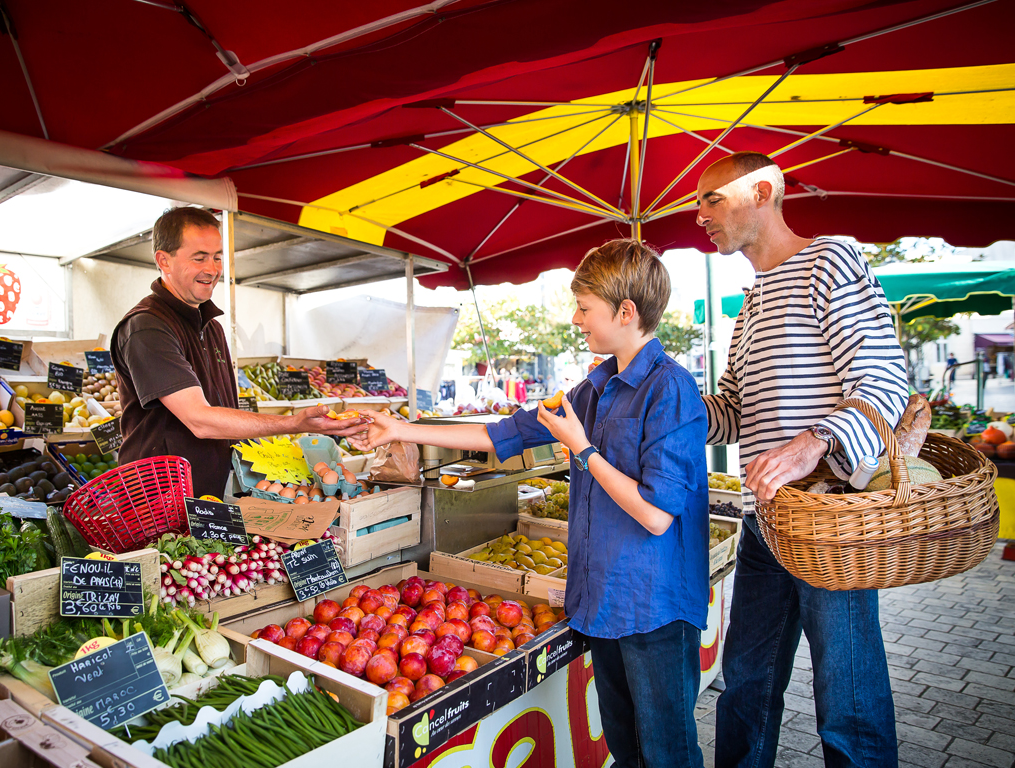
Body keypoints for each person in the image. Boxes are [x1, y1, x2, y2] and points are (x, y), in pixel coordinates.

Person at [352, 239, 709, 767]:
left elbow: (656, 515)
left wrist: (582, 449)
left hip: (653, 606)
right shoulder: (590, 390)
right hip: (602, 601)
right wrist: (399, 428)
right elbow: (503, 434)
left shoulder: (671, 389)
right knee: (626, 748)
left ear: (626, 312)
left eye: (585, 308)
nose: (575, 317)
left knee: (668, 753)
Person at [696, 152, 909, 768]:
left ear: (762, 191)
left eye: (713, 199)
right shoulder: (751, 302)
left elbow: (885, 385)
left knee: (847, 705)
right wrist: (672, 404)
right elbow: (736, 411)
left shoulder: (829, 260)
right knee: (744, 688)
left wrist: (811, 442)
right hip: (767, 527)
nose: (700, 215)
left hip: (832, 525)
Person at [111, 207, 366, 498]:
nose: (213, 268)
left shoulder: (212, 328)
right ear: (163, 260)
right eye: (200, 257)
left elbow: (224, 410)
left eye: (218, 256)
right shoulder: (147, 327)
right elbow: (200, 419)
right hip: (158, 498)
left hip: (207, 491)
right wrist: (293, 423)